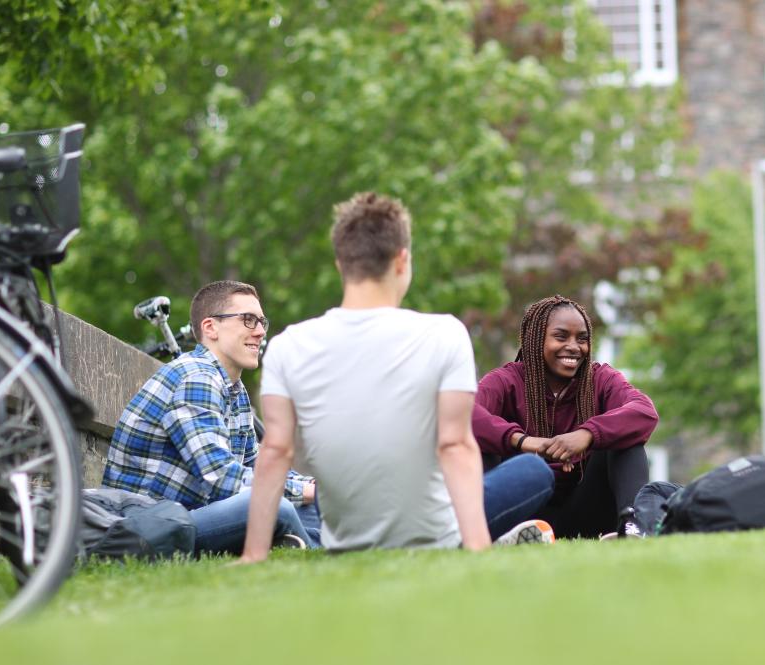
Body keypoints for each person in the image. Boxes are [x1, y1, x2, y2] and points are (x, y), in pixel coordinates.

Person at [240, 192, 554, 560]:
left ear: (341, 264)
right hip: (434, 535)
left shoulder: (287, 346)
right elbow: (455, 445)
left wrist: (253, 556)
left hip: (344, 539)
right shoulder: (445, 334)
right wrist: (475, 551)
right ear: (402, 260)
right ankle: (489, 538)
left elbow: (276, 450)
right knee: (534, 469)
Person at [103, 280, 321, 553]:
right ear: (210, 327)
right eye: (249, 320)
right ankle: (315, 550)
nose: (260, 332)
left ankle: (316, 546)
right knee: (279, 506)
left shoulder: (234, 390)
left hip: (190, 517)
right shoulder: (196, 377)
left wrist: (316, 487)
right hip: (151, 527)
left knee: (312, 505)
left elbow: (257, 466)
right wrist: (308, 493)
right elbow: (221, 478)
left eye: (262, 322)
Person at [473, 295, 660, 539]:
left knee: (626, 442)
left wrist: (588, 434)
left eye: (582, 339)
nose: (574, 346)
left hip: (584, 510)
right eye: (561, 336)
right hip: (522, 516)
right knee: (481, 441)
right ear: (536, 339)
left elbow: (643, 411)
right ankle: (486, 533)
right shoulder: (506, 381)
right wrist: (521, 440)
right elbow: (465, 414)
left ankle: (633, 529)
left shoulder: (600, 379)